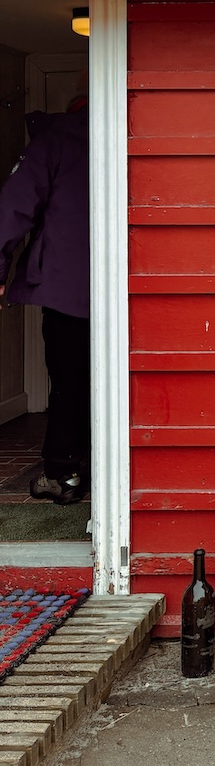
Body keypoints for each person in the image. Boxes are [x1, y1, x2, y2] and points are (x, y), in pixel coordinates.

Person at [0, 92, 89, 505]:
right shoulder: (135, 130)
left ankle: (64, 472)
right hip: (132, 282)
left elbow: (14, 208)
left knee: (69, 379)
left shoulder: (55, 139)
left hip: (67, 283)